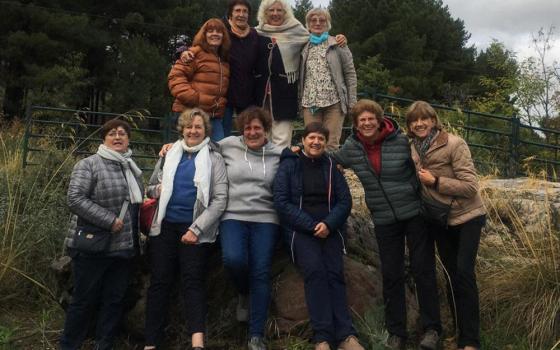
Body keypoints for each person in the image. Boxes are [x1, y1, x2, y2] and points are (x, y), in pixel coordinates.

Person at [331, 99, 442, 350]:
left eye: (371, 119)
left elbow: (428, 160)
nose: (367, 123)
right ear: (356, 125)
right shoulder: (351, 147)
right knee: (391, 274)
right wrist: (295, 153)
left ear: (379, 120)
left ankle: (432, 329)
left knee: (423, 269)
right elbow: (330, 158)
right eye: (362, 120)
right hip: (383, 219)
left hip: (414, 214)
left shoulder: (402, 141)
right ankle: (396, 333)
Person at [273, 122, 364, 350]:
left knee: (335, 272)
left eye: (321, 139)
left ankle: (346, 335)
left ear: (325, 142)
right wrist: (312, 225)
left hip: (329, 229)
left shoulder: (332, 165)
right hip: (301, 230)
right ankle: (322, 336)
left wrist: (328, 224)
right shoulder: (289, 165)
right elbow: (282, 202)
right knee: (315, 271)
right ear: (303, 140)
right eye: (311, 137)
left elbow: (345, 201)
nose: (316, 142)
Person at [143, 108, 228, 350]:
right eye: (189, 127)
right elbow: (149, 188)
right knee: (160, 281)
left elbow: (220, 199)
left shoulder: (214, 158)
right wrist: (157, 190)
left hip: (196, 229)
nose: (193, 131)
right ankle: (151, 342)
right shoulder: (169, 154)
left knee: (193, 281)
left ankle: (197, 342)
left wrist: (197, 229)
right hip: (165, 226)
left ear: (205, 131)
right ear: (182, 129)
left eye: (198, 127)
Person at [406, 101, 486, 350]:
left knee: (464, 273)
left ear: (433, 120)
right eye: (414, 121)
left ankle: (471, 340)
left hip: (467, 216)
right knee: (452, 277)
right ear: (409, 126)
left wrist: (436, 181)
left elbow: (471, 186)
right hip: (440, 220)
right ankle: (459, 332)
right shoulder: (412, 148)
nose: (419, 124)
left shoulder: (454, 143)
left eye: (424, 119)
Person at [61, 119, 143, 350]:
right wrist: (108, 220)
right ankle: (69, 345)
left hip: (123, 247)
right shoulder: (89, 165)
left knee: (114, 301)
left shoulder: (131, 168)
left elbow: (137, 203)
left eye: (122, 133)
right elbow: (75, 199)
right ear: (104, 139)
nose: (118, 137)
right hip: (92, 246)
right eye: (112, 134)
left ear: (128, 139)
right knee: (83, 301)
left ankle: (103, 344)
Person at [218, 107, 284, 350]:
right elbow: (196, 145)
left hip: (266, 218)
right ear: (241, 130)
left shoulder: (279, 153)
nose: (252, 132)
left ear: (266, 129)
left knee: (261, 270)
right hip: (233, 214)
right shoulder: (227, 145)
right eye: (248, 128)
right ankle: (243, 292)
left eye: (257, 128)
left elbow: (304, 160)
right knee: (234, 259)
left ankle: (256, 335)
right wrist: (169, 147)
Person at [254, 0, 347, 148]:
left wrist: (339, 38)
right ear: (264, 13)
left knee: (282, 138)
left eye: (280, 10)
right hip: (259, 93)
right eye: (271, 10)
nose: (275, 13)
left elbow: (318, 36)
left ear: (286, 13)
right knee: (260, 134)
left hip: (285, 93)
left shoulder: (298, 32)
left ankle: (281, 169)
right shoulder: (255, 33)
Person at [299, 8, 357, 150]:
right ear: (308, 24)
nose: (318, 23)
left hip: (335, 103)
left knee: (331, 144)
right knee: (312, 143)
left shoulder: (338, 44)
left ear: (328, 23)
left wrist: (352, 102)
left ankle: (329, 172)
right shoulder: (303, 45)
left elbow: (350, 74)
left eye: (322, 20)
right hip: (310, 103)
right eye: (313, 20)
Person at [168, 18, 231, 141]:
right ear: (204, 35)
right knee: (184, 155)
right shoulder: (194, 53)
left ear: (224, 36)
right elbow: (175, 76)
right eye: (210, 31)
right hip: (189, 114)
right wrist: (193, 98)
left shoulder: (224, 60)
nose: (215, 34)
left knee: (217, 152)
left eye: (219, 31)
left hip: (213, 117)